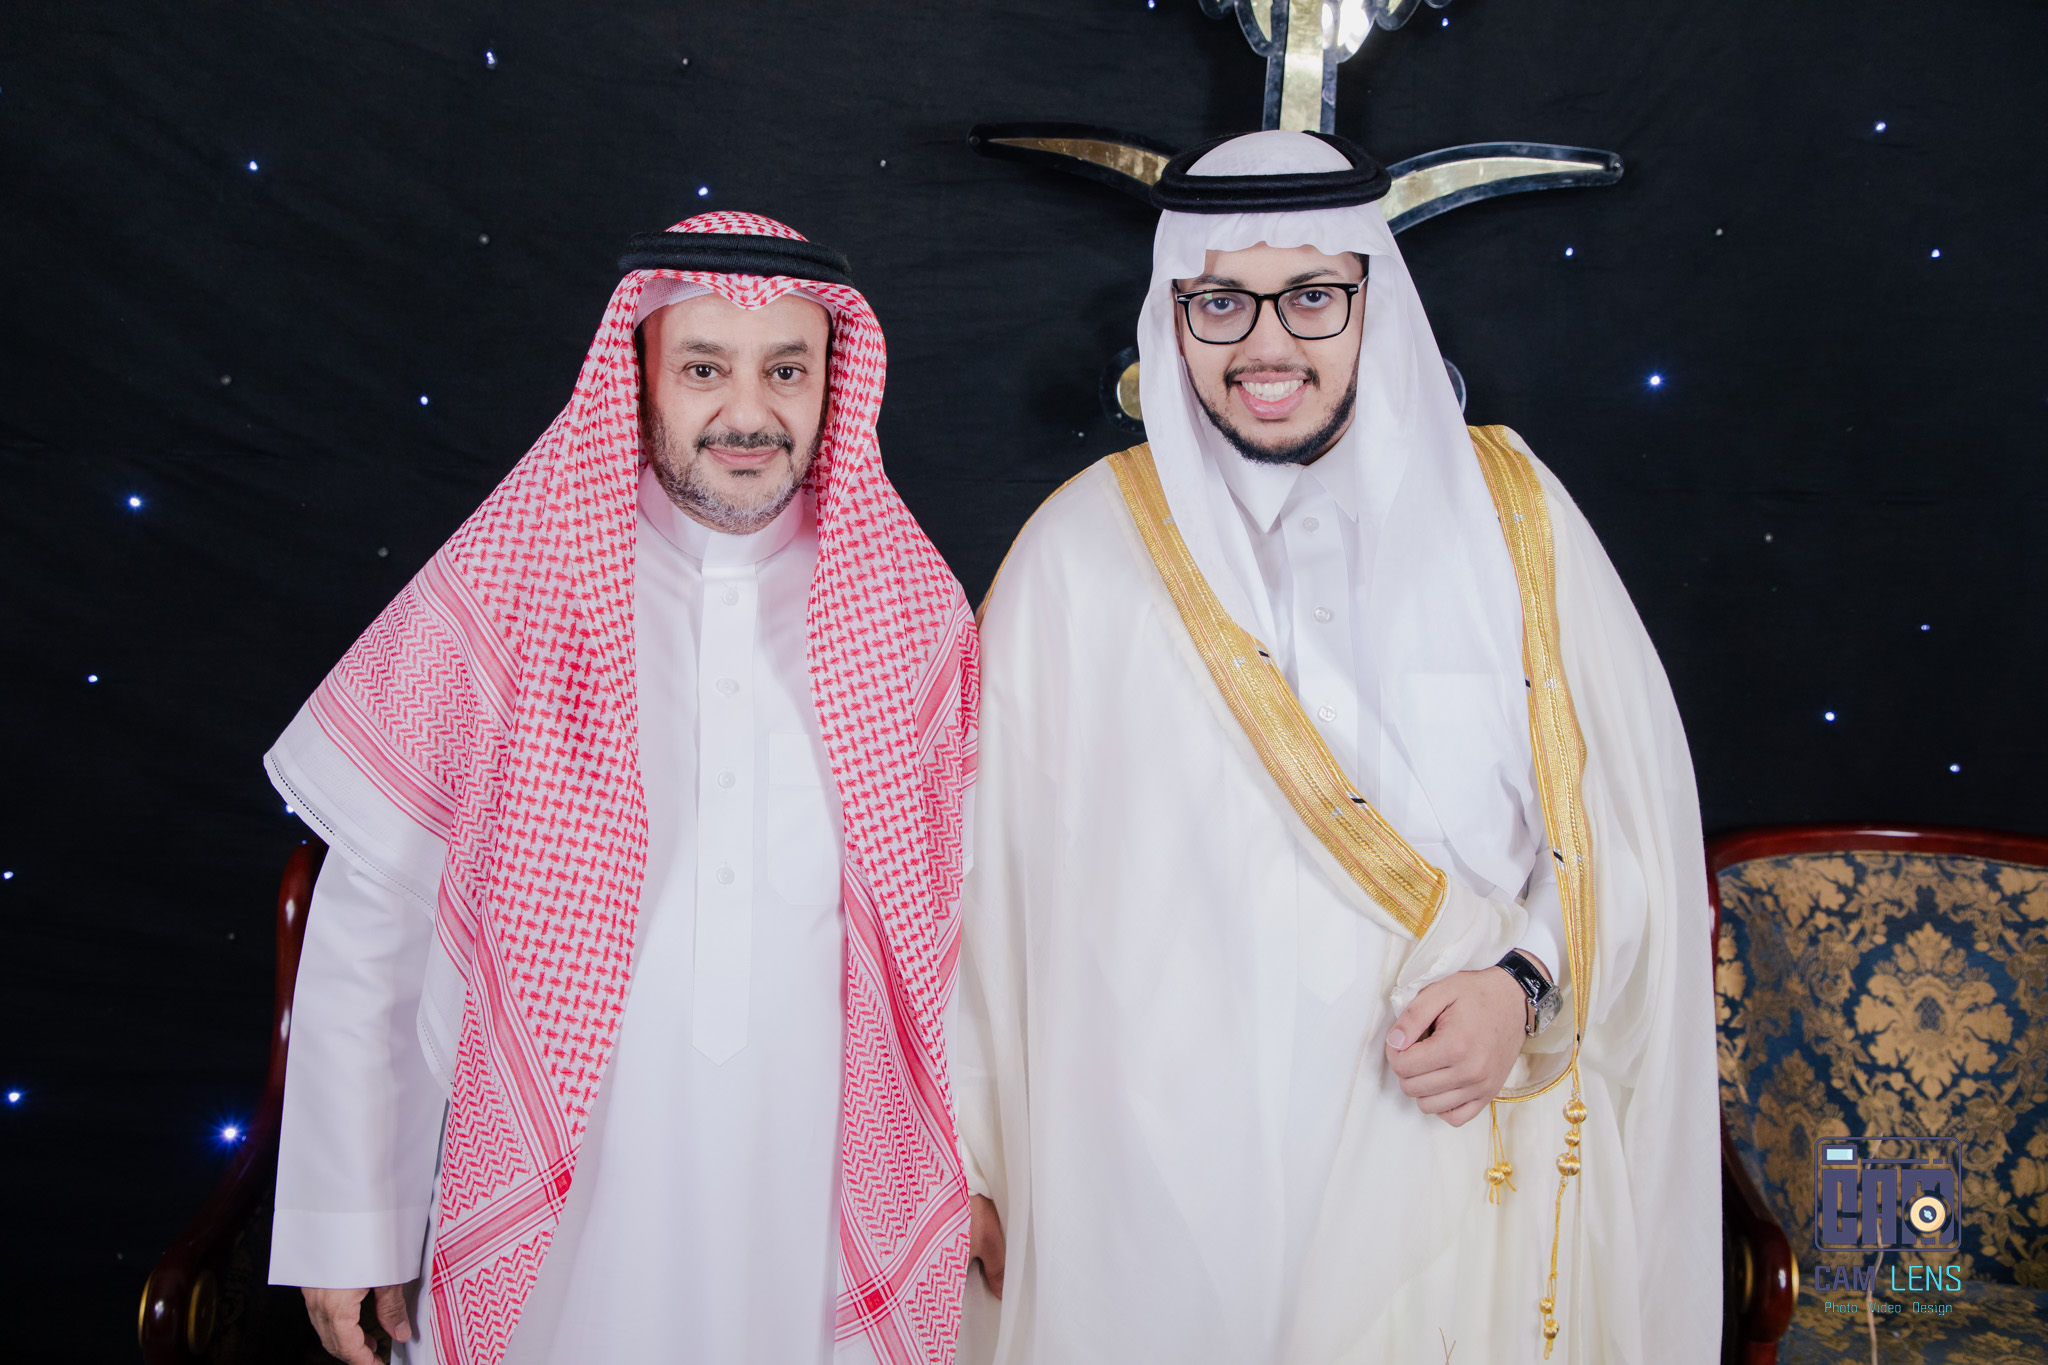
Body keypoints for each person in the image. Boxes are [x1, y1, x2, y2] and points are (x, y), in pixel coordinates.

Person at [952, 131, 1718, 1364]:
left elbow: (1627, 834)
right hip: (1164, 1194)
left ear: (1374, 300)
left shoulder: (1513, 519)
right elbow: (972, 886)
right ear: (1173, 316)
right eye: (1219, 304)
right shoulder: (1077, 555)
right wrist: (964, 1160)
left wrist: (1520, 989)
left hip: (1449, 1140)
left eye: (1311, 297)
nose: (1265, 346)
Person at [264, 212, 979, 1365]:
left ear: (831, 383)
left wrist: (976, 1166)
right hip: (559, 1218)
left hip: (816, 1208)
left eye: (785, 370)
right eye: (703, 368)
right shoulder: (509, 590)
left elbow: (964, 935)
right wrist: (353, 1222)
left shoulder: (907, 613)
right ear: (636, 376)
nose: (747, 412)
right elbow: (371, 928)